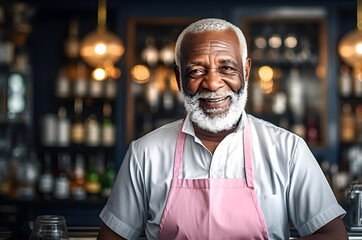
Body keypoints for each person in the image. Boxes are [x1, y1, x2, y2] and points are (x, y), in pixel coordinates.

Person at [98, 18, 348, 240]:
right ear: (178, 78)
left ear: (246, 70)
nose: (213, 83)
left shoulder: (287, 149)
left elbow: (332, 234)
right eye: (196, 71)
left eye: (227, 68)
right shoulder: (144, 153)